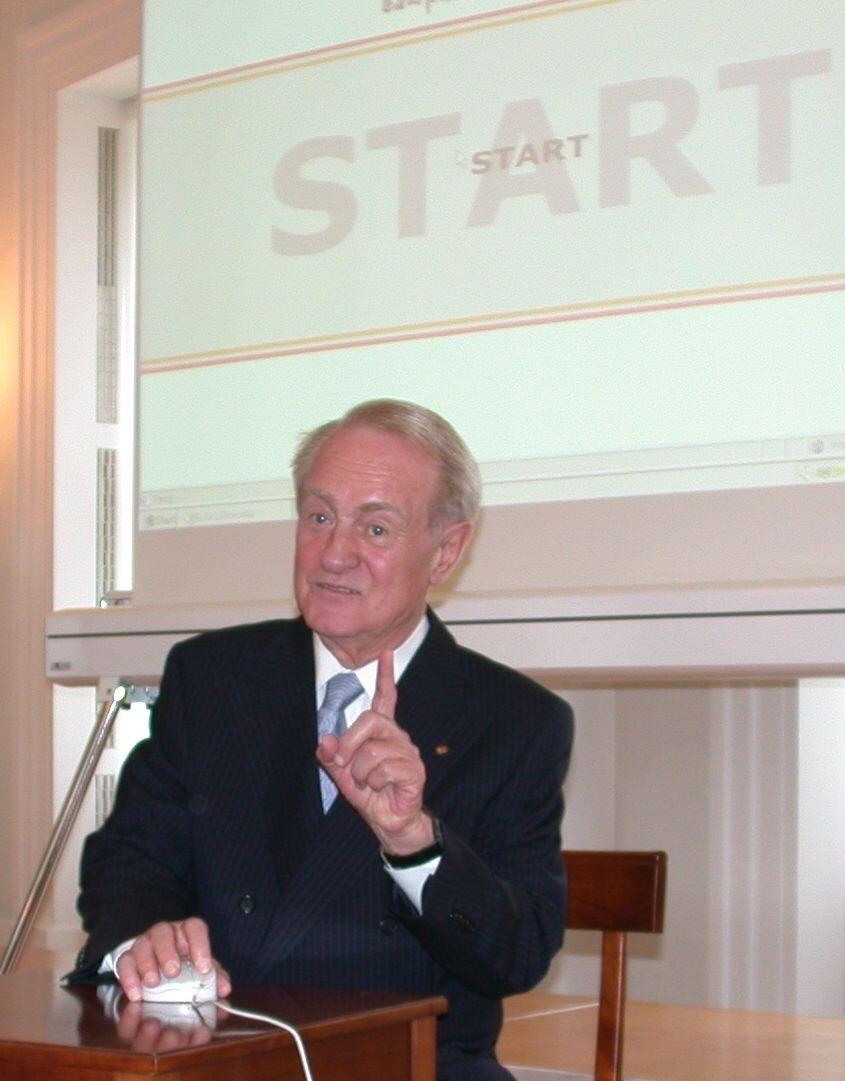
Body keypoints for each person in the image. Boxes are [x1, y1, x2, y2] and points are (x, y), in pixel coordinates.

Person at [71, 399, 574, 1079]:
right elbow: (130, 862)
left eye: (375, 527)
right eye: (318, 517)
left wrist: (413, 840)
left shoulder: (512, 720)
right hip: (215, 1058)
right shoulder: (212, 677)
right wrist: (144, 936)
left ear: (447, 550)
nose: (335, 554)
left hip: (405, 1065)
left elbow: (514, 956)